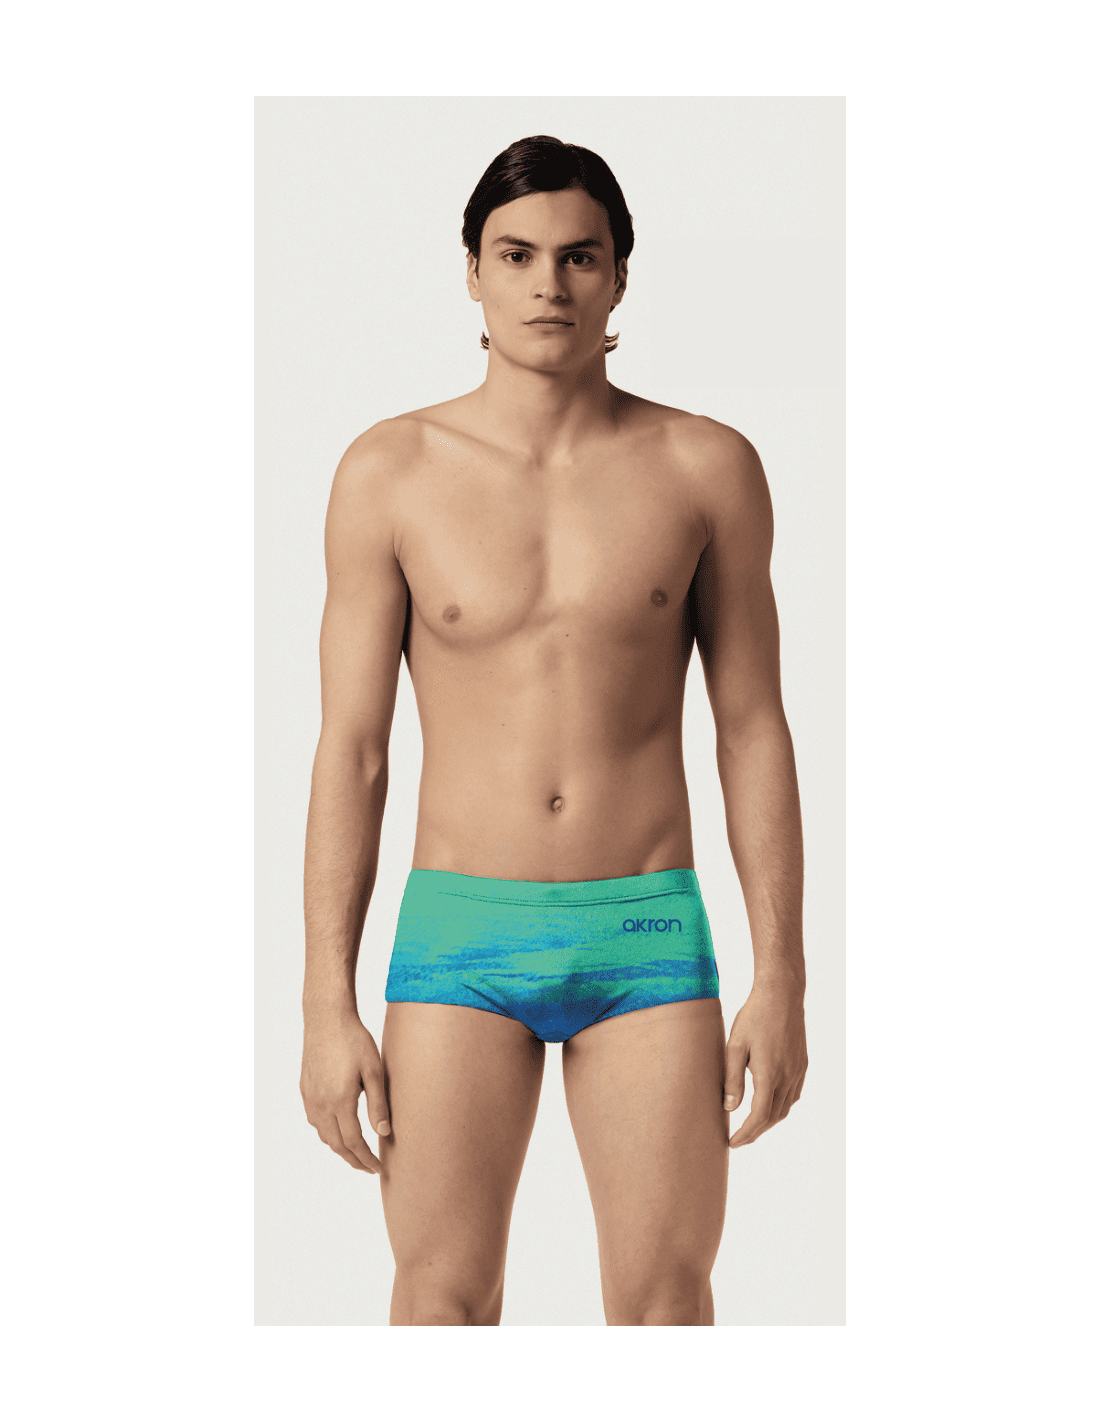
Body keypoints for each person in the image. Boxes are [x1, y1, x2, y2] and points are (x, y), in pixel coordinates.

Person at [299, 135, 808, 1327]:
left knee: (664, 1310)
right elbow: (352, 750)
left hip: (644, 931)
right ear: (470, 273)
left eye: (579, 257)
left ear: (618, 276)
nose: (548, 285)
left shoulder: (705, 465)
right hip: (458, 933)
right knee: (440, 1304)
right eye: (516, 255)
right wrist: (325, 1002)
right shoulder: (389, 470)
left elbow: (751, 730)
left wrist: (780, 976)